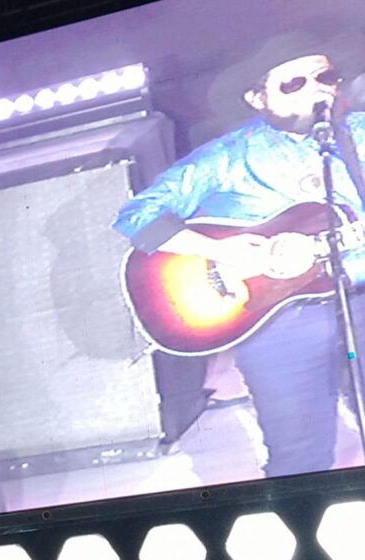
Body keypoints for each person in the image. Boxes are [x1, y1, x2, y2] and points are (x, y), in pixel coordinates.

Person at [113, 36, 365, 478]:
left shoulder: (359, 133)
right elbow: (137, 216)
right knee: (300, 459)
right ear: (257, 97)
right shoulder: (227, 157)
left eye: (324, 76)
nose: (317, 89)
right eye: (294, 82)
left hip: (360, 293)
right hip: (277, 323)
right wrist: (216, 249)